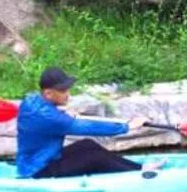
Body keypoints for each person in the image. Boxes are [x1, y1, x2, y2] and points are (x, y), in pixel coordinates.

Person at [16, 66, 148, 178]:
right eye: (62, 91)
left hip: (36, 160)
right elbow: (89, 127)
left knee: (87, 144)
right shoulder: (52, 119)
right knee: (94, 158)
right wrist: (128, 127)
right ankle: (139, 175)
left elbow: (45, 118)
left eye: (67, 89)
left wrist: (61, 114)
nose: (68, 94)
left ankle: (140, 167)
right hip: (39, 170)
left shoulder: (30, 100)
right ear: (48, 93)